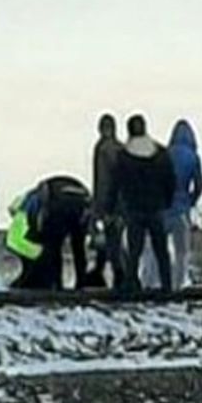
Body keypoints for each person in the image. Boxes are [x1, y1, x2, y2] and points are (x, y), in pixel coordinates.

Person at [115, 115, 176, 294]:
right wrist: (167, 201)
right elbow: (170, 180)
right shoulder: (161, 153)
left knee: (134, 250)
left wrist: (118, 206)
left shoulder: (124, 156)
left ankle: (131, 286)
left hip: (134, 208)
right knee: (161, 250)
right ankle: (167, 285)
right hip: (156, 207)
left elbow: (118, 184)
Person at [145, 120, 202, 289]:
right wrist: (191, 200)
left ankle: (153, 281)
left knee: (158, 249)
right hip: (182, 209)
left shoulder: (165, 154)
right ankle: (179, 283)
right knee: (182, 251)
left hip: (163, 208)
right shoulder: (193, 157)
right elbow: (199, 184)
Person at [6, 176, 91, 290]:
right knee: (77, 247)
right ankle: (80, 284)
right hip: (82, 203)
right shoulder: (36, 196)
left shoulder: (31, 199)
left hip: (59, 206)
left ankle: (58, 284)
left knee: (55, 247)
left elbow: (37, 222)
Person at [89, 114, 126, 290]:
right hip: (120, 202)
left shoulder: (102, 149)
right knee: (113, 240)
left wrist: (98, 207)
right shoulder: (121, 148)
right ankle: (112, 272)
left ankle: (117, 274)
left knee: (111, 241)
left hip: (108, 203)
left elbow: (102, 181)